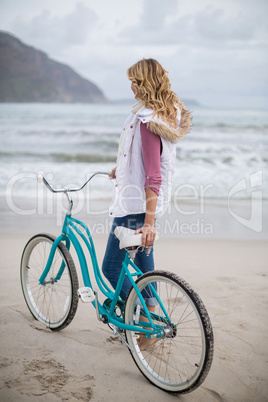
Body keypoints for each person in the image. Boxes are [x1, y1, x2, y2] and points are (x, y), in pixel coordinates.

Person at [102, 58, 191, 347]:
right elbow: (144, 160)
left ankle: (142, 318)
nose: (130, 86)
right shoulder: (155, 114)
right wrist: (124, 168)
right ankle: (148, 312)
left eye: (134, 80)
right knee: (144, 268)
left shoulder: (147, 121)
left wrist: (149, 223)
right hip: (140, 202)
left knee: (112, 269)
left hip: (135, 207)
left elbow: (153, 176)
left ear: (143, 83)